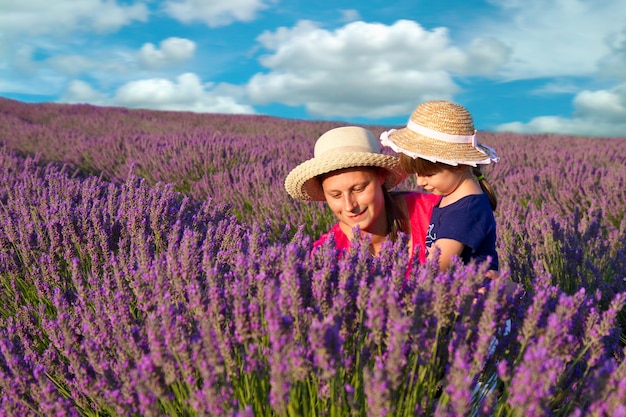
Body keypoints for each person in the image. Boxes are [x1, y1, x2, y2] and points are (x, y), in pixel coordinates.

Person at [284, 126, 440, 263]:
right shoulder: (327, 254)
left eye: (358, 189)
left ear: (381, 176)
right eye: (336, 195)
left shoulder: (435, 212)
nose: (349, 206)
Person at [380, 100, 500, 272]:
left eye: (428, 174)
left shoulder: (465, 210)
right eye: (416, 174)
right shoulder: (455, 197)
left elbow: (438, 265)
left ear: (460, 165)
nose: (420, 182)